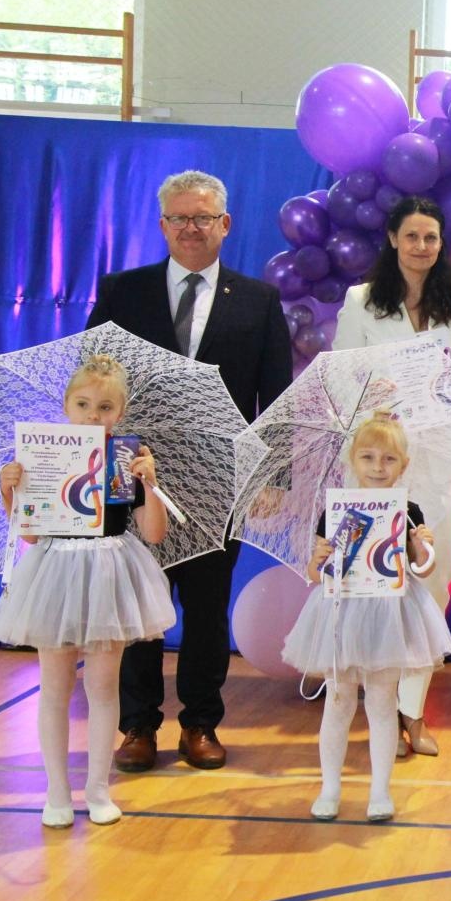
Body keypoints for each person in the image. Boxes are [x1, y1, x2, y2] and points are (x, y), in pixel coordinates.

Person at [88, 170, 292, 773]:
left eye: (202, 218)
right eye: (178, 218)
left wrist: (273, 478)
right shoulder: (123, 291)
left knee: (205, 609)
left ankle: (200, 723)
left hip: (218, 476)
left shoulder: (259, 300)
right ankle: (138, 727)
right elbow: (92, 380)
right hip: (131, 470)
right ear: (162, 225)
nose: (190, 228)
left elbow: (275, 400)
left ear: (224, 225)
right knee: (137, 605)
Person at [0, 355, 174, 827]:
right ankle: (55, 792)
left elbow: (153, 534)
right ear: (67, 405)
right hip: (56, 572)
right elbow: (29, 534)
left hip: (110, 571)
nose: (94, 415)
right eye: (84, 404)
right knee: (54, 686)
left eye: (106, 406)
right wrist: (11, 492)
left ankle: (96, 788)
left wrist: (149, 484)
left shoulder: (128, 457)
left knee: (103, 684)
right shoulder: (43, 453)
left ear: (121, 410)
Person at [333, 196, 451, 758]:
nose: (422, 247)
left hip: (439, 454)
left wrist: (449, 397)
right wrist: (376, 397)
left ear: (441, 244)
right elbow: (340, 374)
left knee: (434, 577)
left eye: (432, 238)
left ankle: (412, 712)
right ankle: (378, 715)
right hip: (376, 459)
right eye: (412, 236)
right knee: (375, 581)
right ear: (393, 238)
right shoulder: (362, 300)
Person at [284, 412, 451, 823]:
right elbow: (316, 573)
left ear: (403, 465)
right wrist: (318, 561)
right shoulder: (335, 510)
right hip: (343, 612)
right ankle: (330, 788)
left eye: (389, 459)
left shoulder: (409, 511)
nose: (378, 467)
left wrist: (423, 546)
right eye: (368, 457)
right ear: (352, 461)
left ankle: (380, 791)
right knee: (338, 701)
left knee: (381, 702)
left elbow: (423, 570)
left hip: (390, 615)